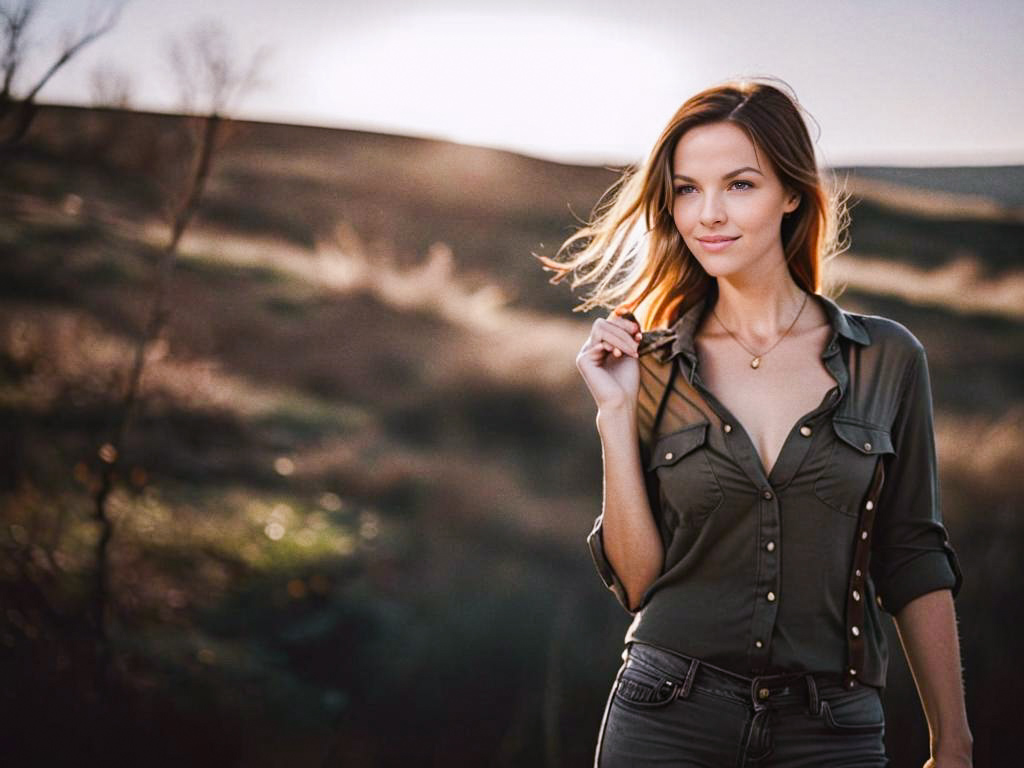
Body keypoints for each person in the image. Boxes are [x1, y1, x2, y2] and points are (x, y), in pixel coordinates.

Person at [536, 79, 972, 767]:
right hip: (664, 716)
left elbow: (912, 553)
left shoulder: (887, 359)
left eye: (739, 185)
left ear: (792, 192)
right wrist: (615, 418)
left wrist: (953, 740)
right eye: (686, 190)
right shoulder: (646, 369)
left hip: (833, 731)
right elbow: (639, 581)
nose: (708, 214)